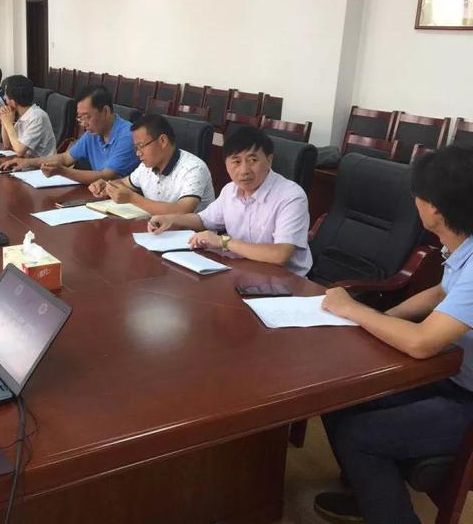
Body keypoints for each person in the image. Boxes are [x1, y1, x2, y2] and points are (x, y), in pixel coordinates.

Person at [313, 145, 473, 524]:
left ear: (434, 209)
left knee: (358, 436)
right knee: (339, 393)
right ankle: (374, 495)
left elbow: (422, 343)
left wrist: (353, 310)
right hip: (451, 376)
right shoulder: (461, 244)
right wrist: (386, 317)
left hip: (466, 399)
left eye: (417, 196)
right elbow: (441, 292)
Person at [147, 126, 312, 275]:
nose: (244, 170)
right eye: (236, 162)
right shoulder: (230, 190)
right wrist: (170, 219)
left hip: (284, 280)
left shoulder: (291, 196)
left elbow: (280, 255)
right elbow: (203, 220)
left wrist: (223, 242)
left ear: (269, 160)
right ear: (226, 164)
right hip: (242, 270)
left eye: (252, 160)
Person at [0, 85, 139, 185]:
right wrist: (27, 162)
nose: (83, 124)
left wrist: (62, 171)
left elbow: (107, 176)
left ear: (106, 111)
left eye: (87, 117)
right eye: (80, 118)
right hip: (100, 195)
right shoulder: (93, 132)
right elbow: (66, 158)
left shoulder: (127, 135)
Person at [88, 114, 215, 215]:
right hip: (157, 230)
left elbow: (182, 211)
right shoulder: (146, 166)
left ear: (163, 141)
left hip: (193, 236)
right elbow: (124, 183)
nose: (138, 153)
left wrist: (132, 198)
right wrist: (107, 186)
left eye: (141, 146)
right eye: (136, 147)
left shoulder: (194, 168)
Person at [0, 75, 56, 159]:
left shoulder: (37, 116)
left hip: (41, 165)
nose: (4, 98)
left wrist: (8, 124)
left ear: (13, 101)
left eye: (6, 95)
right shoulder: (21, 114)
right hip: (25, 161)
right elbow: (7, 145)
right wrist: (4, 122)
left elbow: (19, 151)